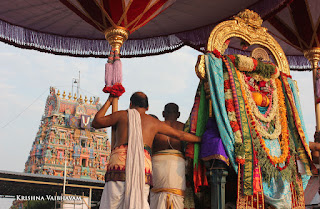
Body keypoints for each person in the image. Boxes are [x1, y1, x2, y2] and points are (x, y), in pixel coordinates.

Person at [92, 92, 200, 209]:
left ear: (131, 104)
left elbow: (96, 122)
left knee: (111, 204)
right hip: (142, 169)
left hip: (118, 168)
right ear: (147, 107)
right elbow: (181, 135)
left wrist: (109, 101)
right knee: (139, 202)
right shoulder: (154, 122)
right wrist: (201, 139)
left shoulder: (121, 115)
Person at [150, 103, 186, 209]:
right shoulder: (183, 128)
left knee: (157, 197)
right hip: (178, 166)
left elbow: (149, 147)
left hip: (157, 165)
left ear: (163, 113)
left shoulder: (156, 126)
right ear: (178, 114)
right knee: (177, 196)